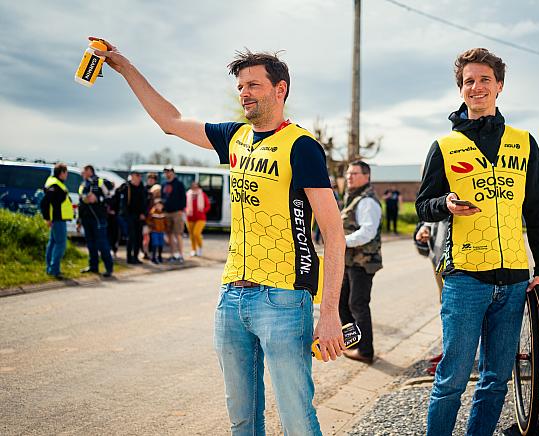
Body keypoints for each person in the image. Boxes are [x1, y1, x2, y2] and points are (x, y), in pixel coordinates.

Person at [95, 37, 346, 435]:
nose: (244, 93)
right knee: (242, 419)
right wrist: (125, 68)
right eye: (241, 87)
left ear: (280, 90)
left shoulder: (301, 147)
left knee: (297, 419)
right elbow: (170, 123)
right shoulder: (235, 137)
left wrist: (330, 312)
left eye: (253, 85)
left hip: (283, 298)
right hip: (231, 297)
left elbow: (334, 234)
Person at [415, 48, 539, 436]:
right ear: (461, 90)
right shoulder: (444, 146)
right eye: (468, 81)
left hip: (513, 280)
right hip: (465, 280)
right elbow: (422, 206)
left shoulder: (524, 142)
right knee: (452, 380)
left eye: (484, 80)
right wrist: (445, 203)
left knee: (496, 381)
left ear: (500, 86)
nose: (476, 87)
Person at [339, 160, 383, 364]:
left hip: (363, 263)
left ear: (367, 176)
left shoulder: (367, 201)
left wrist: (342, 242)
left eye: (354, 173)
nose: (350, 177)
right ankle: (353, 343)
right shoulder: (353, 198)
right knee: (343, 303)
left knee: (358, 304)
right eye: (348, 173)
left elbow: (367, 232)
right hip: (350, 261)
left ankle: (365, 351)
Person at [414, 221, 447, 376]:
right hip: (438, 252)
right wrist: (425, 226)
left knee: (455, 308)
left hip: (455, 254)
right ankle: (448, 351)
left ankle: (452, 358)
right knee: (446, 305)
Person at [78, 164, 113, 278]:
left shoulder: (100, 182)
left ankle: (109, 268)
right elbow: (81, 203)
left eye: (83, 170)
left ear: (89, 170)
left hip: (98, 219)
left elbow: (110, 197)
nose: (81, 173)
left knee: (102, 243)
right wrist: (79, 220)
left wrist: (97, 199)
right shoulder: (83, 184)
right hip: (86, 219)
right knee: (90, 244)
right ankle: (93, 266)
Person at [40, 163, 73, 278]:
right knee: (60, 244)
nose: (67, 175)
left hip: (57, 219)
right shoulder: (55, 185)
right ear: (62, 173)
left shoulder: (55, 183)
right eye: (66, 172)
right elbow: (44, 203)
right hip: (57, 219)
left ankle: (50, 269)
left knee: (53, 243)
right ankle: (54, 270)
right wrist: (47, 218)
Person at [121, 171, 147, 264]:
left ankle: (135, 257)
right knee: (131, 237)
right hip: (130, 216)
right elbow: (123, 204)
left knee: (138, 237)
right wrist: (127, 216)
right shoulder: (126, 187)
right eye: (137, 175)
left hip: (139, 216)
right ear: (132, 176)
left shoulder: (142, 188)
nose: (139, 177)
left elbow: (145, 202)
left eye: (140, 175)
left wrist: (144, 213)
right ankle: (129, 257)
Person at [161, 166, 186, 263]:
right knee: (169, 234)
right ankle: (173, 255)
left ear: (173, 172)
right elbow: (163, 197)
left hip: (177, 212)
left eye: (169, 171)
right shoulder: (164, 184)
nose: (167, 173)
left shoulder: (179, 184)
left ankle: (180, 255)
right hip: (167, 212)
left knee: (178, 234)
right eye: (165, 172)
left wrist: (181, 209)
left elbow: (183, 198)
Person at [185, 181, 210, 257]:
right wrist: (186, 210)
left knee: (196, 233)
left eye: (196, 186)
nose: (195, 188)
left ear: (199, 187)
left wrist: (203, 211)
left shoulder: (203, 195)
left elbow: (208, 206)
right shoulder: (188, 194)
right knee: (191, 235)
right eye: (193, 186)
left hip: (200, 218)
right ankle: (193, 250)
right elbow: (184, 205)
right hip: (190, 217)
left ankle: (200, 247)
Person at [142, 172, 159, 259]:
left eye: (153, 179)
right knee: (145, 235)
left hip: (155, 217)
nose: (151, 180)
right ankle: (145, 252)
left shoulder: (157, 190)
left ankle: (153, 253)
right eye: (149, 179)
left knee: (154, 236)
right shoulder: (143, 189)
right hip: (146, 216)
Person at [146, 198, 166, 264]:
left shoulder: (163, 213)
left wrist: (165, 228)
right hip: (155, 231)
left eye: (160, 205)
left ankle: (159, 256)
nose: (159, 207)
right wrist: (152, 226)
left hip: (161, 231)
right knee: (155, 244)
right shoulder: (152, 213)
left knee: (161, 244)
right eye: (157, 205)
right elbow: (148, 220)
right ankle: (153, 257)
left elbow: (165, 222)